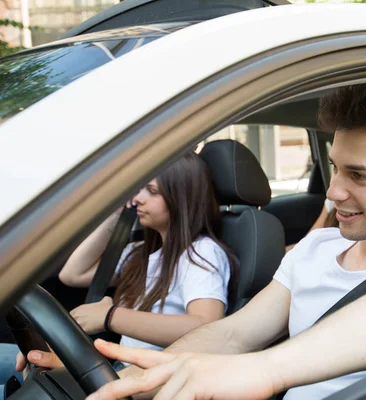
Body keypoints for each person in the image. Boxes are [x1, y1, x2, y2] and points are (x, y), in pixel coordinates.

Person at [24, 81, 366, 400]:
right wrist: (145, 378)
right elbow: (233, 334)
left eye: (359, 175)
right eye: (334, 168)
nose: (333, 192)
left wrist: (268, 371)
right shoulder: (314, 250)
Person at [6, 153, 239, 398]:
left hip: (144, 382)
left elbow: (207, 325)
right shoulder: (143, 253)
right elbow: (73, 274)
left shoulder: (201, 252)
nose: (138, 198)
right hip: (116, 369)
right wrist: (116, 212)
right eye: (138, 189)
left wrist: (111, 317)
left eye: (151, 191)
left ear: (182, 197)